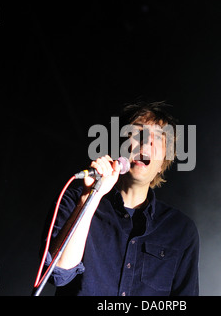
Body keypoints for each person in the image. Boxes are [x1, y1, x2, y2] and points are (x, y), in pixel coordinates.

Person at [41, 101, 199, 296]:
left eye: (158, 138)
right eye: (137, 133)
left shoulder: (181, 230)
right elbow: (58, 274)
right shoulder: (74, 201)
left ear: (162, 164)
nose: (146, 142)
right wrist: (90, 198)